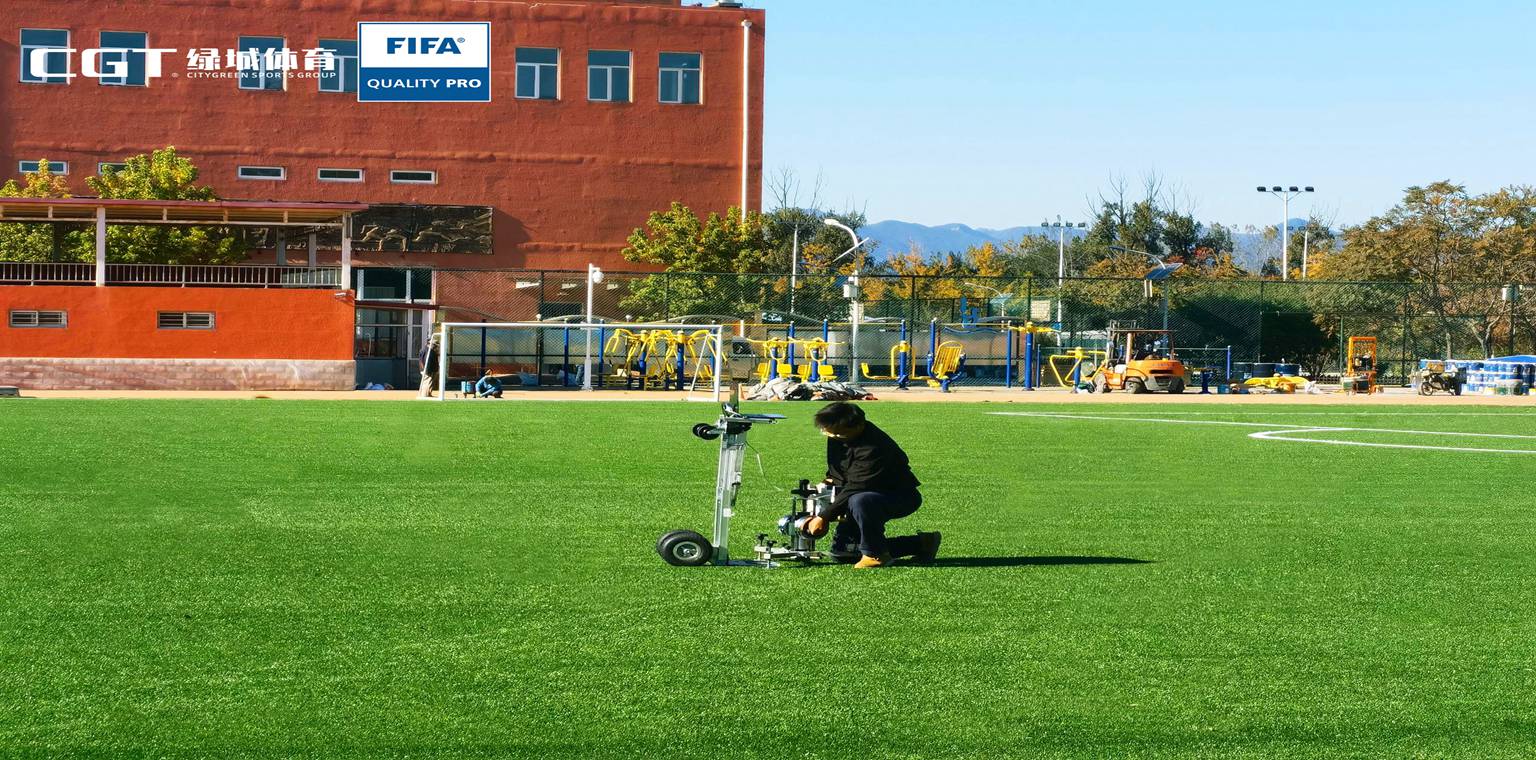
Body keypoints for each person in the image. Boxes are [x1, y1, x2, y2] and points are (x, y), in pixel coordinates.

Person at [803, 402, 940, 569]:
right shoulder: (838, 434)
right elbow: (839, 469)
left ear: (859, 425)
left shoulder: (874, 447)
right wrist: (827, 484)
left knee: (860, 500)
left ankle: (877, 555)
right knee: (844, 553)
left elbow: (857, 485)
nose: (835, 437)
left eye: (839, 434)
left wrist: (824, 516)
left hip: (897, 496)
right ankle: (921, 543)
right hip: (860, 494)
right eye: (831, 434)